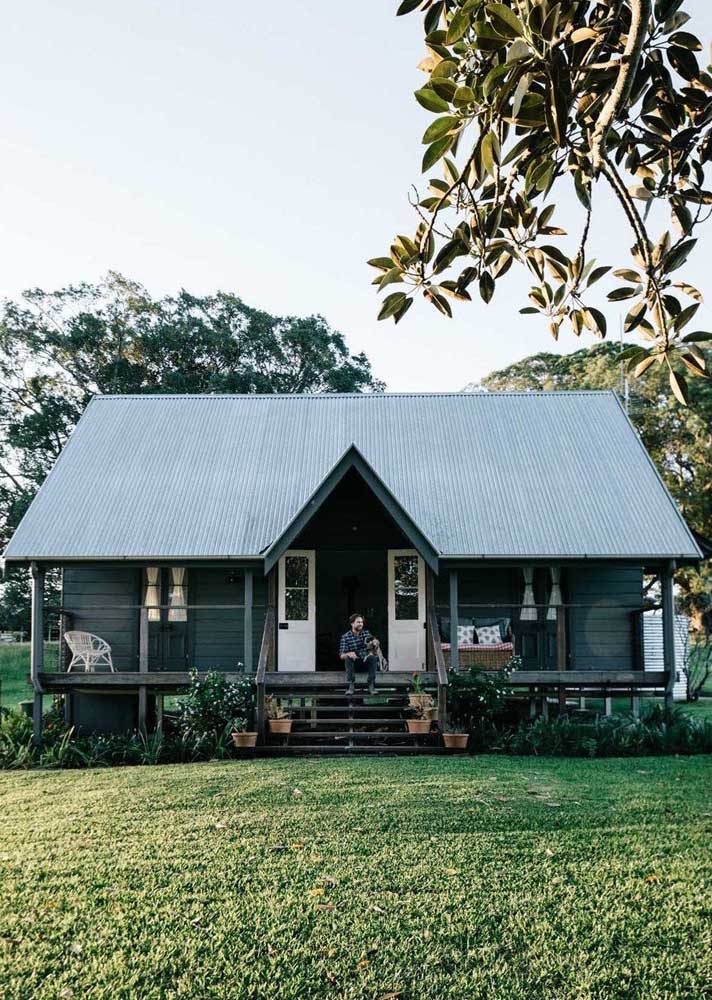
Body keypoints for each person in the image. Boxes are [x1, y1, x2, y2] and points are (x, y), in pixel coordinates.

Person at [339, 613, 379, 695]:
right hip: (354, 665)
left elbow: (374, 642)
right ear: (352, 623)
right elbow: (341, 655)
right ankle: (351, 685)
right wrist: (348, 654)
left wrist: (375, 643)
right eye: (358, 622)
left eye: (362, 622)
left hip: (365, 663)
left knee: (373, 658)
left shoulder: (366, 633)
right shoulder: (345, 637)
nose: (361, 624)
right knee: (347, 658)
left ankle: (371, 685)